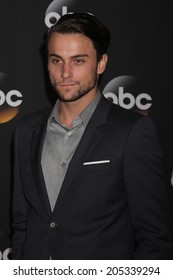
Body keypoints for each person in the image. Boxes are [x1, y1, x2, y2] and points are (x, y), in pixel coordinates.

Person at [12, 12, 173, 260]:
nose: (65, 73)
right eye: (56, 60)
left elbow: (154, 238)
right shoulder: (26, 130)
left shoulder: (132, 132)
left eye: (78, 61)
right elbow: (22, 223)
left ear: (101, 63)